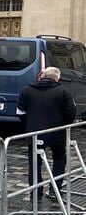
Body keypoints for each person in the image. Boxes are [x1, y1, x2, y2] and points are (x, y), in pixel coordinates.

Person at [17, 66, 77, 200]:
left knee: (34, 162)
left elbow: (20, 112)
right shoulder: (63, 91)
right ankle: (55, 190)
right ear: (56, 78)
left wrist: (29, 123)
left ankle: (35, 193)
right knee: (60, 158)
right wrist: (63, 124)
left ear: (43, 76)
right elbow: (71, 113)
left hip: (34, 132)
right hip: (57, 132)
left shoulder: (26, 90)